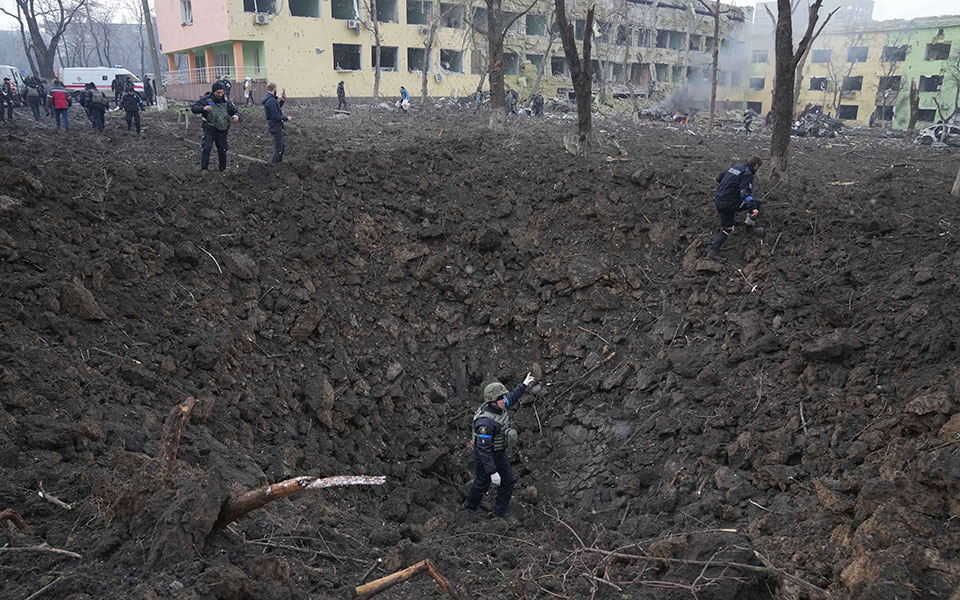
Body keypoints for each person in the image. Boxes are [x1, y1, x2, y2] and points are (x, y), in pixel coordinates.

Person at [462, 372, 537, 519]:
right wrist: (492, 472)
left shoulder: (499, 406)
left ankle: (500, 513)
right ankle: (469, 506)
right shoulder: (485, 423)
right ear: (493, 401)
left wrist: (524, 385)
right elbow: (484, 450)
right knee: (482, 482)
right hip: (485, 456)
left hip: (499, 452)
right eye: (501, 398)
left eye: (503, 397)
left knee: (508, 480)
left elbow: (512, 398)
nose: (505, 400)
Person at [707, 156, 765, 263]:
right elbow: (744, 193)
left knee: (727, 227)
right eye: (758, 168)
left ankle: (713, 252)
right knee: (756, 203)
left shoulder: (735, 168)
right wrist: (753, 208)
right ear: (756, 166)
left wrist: (727, 189)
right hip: (729, 203)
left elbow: (718, 178)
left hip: (718, 199)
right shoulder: (747, 174)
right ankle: (749, 229)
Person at [191, 81, 240, 172]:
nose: (220, 94)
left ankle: (223, 169)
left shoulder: (226, 102)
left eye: (222, 92)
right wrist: (203, 108)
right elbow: (194, 108)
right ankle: (204, 168)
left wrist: (236, 115)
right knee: (207, 148)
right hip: (210, 129)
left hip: (222, 130)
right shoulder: (206, 100)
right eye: (218, 93)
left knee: (223, 150)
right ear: (213, 92)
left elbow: (235, 111)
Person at [262, 82, 292, 163]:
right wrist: (286, 118)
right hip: (275, 126)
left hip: (275, 125)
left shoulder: (271, 99)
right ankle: (273, 166)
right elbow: (275, 116)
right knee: (279, 149)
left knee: (281, 148)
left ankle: (279, 165)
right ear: (274, 89)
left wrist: (282, 101)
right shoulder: (271, 100)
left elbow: (276, 109)